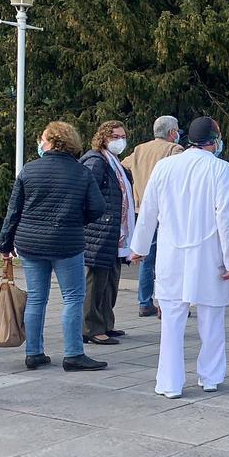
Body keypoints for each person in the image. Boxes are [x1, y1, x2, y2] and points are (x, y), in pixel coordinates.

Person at [130, 117, 229, 398]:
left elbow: (148, 211)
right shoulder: (221, 169)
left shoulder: (165, 167)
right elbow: (226, 218)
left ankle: (169, 382)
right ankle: (211, 376)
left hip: (171, 252)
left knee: (172, 321)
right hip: (209, 254)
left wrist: (139, 247)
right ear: (214, 140)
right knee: (212, 319)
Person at [0, 121, 107, 372]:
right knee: (73, 297)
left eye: (42, 139)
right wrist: (77, 221)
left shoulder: (29, 170)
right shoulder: (81, 173)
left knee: (36, 298)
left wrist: (5, 244)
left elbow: (13, 211)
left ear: (50, 142)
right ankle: (73, 354)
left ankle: (34, 352)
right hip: (67, 242)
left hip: (30, 242)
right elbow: (98, 207)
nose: (40, 142)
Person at [122, 115, 184, 318]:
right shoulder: (174, 150)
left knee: (146, 257)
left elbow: (124, 165)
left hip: (142, 210)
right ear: (172, 132)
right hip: (167, 211)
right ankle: (166, 303)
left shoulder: (140, 149)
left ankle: (144, 301)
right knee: (169, 257)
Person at [81, 120, 135, 346]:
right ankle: (90, 328)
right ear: (103, 137)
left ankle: (106, 322)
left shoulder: (116, 164)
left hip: (115, 232)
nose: (120, 140)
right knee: (97, 281)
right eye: (115, 136)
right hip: (100, 230)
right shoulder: (96, 161)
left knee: (110, 281)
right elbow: (87, 194)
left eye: (122, 136)